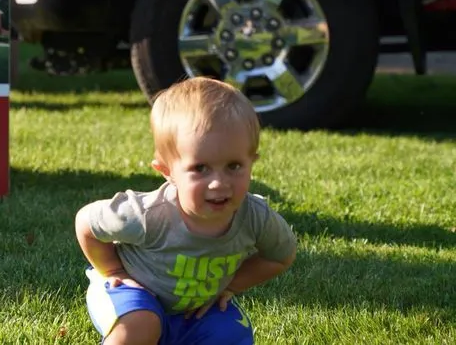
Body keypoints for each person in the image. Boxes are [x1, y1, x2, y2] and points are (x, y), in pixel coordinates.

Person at [74, 77, 297, 345]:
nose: (219, 183)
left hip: (193, 308)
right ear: (167, 172)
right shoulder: (148, 215)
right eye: (200, 168)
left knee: (231, 334)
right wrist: (113, 272)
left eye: (234, 166)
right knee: (140, 324)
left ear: (252, 162)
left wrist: (230, 286)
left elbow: (281, 256)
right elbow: (86, 222)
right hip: (134, 294)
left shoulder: (255, 217)